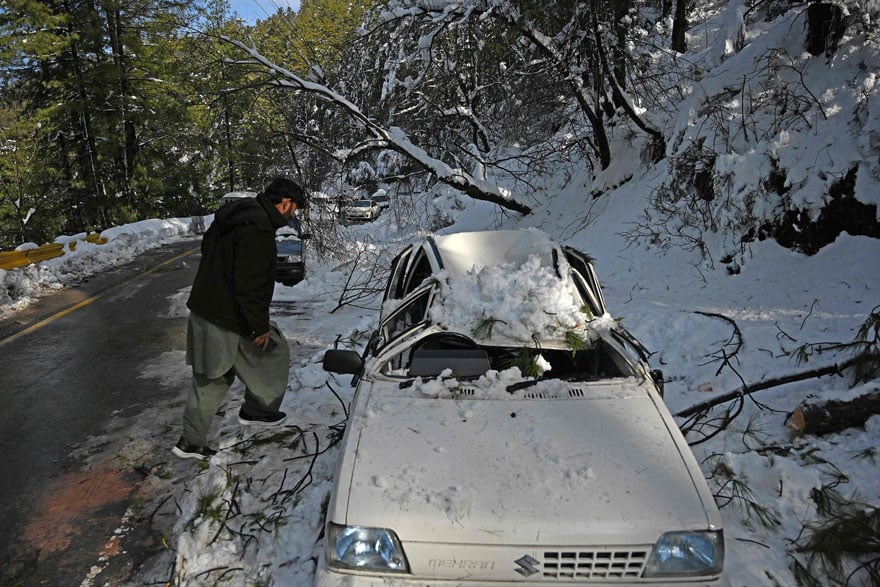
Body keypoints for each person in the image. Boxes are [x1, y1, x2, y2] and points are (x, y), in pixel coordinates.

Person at [173, 177, 306, 460]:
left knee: (213, 377)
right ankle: (258, 409)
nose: (293, 215)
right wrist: (258, 328)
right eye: (294, 208)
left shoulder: (238, 213)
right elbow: (250, 285)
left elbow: (208, 248)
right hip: (226, 317)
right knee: (274, 350)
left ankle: (190, 442)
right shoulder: (257, 228)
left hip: (208, 309)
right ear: (285, 203)